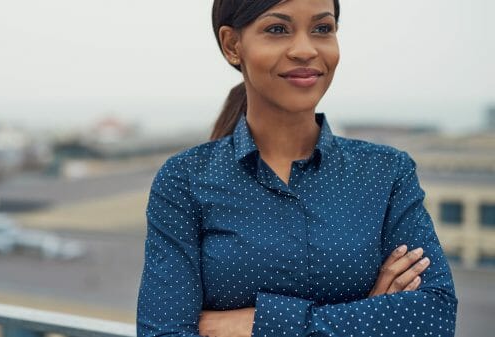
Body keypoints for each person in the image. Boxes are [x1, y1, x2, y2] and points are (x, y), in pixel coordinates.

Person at [137, 0, 458, 336]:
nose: (305, 49)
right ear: (233, 45)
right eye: (277, 29)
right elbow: (164, 333)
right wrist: (367, 315)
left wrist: (260, 325)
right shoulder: (185, 180)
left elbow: (434, 317)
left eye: (322, 28)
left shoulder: (388, 172)